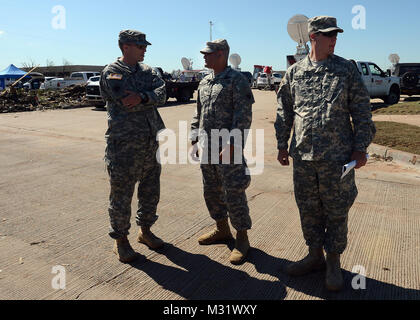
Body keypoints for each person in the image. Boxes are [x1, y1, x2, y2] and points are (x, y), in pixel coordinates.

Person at [275, 16, 376, 291]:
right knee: (308, 209)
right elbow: (284, 111)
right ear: (312, 37)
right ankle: (314, 255)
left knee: (337, 210)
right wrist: (282, 145)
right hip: (304, 157)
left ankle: (333, 261)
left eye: (336, 35)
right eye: (328, 34)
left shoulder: (346, 69)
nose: (334, 39)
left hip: (338, 158)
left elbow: (363, 112)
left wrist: (360, 148)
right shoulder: (295, 73)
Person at [100, 30, 166, 263]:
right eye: (140, 45)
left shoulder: (148, 71)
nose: (144, 49)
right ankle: (121, 241)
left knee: (150, 191)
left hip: (150, 142)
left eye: (144, 45)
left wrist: (143, 97)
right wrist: (148, 97)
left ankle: (145, 231)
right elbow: (125, 101)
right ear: (125, 46)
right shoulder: (112, 73)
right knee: (121, 195)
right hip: (124, 146)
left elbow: (163, 93)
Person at [190, 39, 255, 265]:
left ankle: (242, 238)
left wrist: (233, 144)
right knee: (211, 191)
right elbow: (198, 113)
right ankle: (222, 229)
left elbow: (243, 115)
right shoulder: (205, 81)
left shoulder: (236, 80)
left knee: (234, 192)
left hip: (228, 148)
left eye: (208, 54)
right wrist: (194, 138)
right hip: (207, 146)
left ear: (221, 54)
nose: (204, 57)